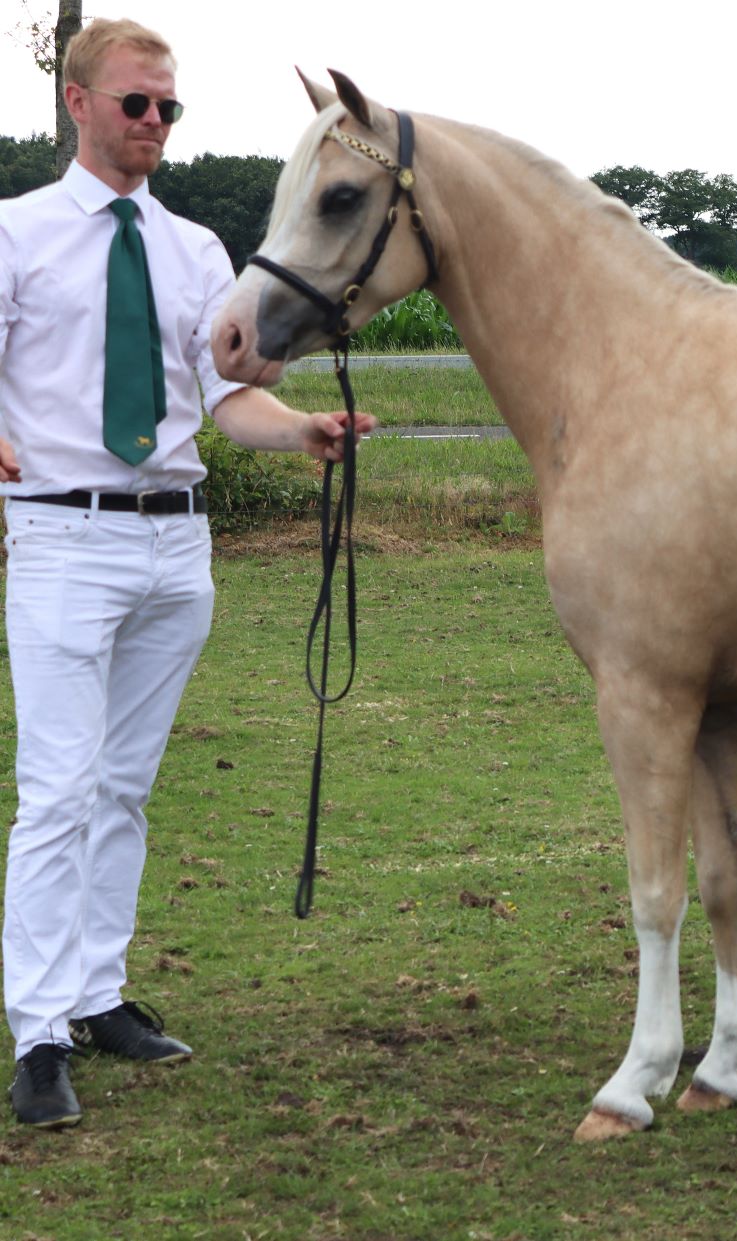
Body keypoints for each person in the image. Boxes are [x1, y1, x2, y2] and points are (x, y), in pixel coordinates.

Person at [0, 17, 375, 1129]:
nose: (155, 121)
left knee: (123, 785)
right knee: (58, 790)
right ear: (77, 102)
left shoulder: (198, 250)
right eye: (136, 103)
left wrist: (301, 429)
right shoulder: (16, 234)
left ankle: (99, 992)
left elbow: (224, 399)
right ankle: (37, 1030)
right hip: (64, 534)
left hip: (176, 543)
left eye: (169, 106)